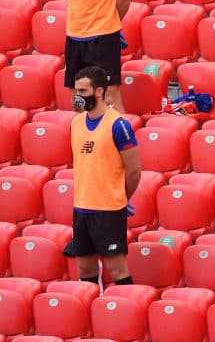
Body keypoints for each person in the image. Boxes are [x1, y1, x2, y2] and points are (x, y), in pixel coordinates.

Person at [64, 66, 142, 286]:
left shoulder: (118, 125)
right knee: (85, 268)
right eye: (76, 91)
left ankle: (127, 306)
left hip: (108, 209)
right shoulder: (76, 123)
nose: (78, 96)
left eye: (83, 91)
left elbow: (134, 170)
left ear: (99, 91)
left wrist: (121, 197)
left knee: (117, 269)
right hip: (82, 207)